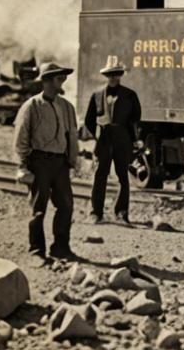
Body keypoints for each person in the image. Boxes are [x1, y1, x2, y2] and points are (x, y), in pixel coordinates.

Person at [13, 62, 81, 264]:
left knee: (66, 205)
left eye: (63, 78)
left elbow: (72, 136)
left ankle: (61, 248)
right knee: (38, 207)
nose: (63, 82)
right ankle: (36, 250)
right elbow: (21, 138)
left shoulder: (67, 107)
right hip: (39, 162)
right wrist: (22, 164)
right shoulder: (31, 106)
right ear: (47, 81)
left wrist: (72, 159)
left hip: (60, 163)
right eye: (59, 78)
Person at [84, 60, 143, 224]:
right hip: (103, 138)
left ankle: (122, 214)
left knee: (123, 176)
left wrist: (132, 139)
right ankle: (96, 213)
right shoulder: (96, 95)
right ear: (105, 76)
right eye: (109, 75)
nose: (113, 77)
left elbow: (135, 118)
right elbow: (89, 119)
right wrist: (97, 135)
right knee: (99, 175)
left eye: (116, 74)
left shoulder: (130, 95)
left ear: (121, 75)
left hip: (122, 137)